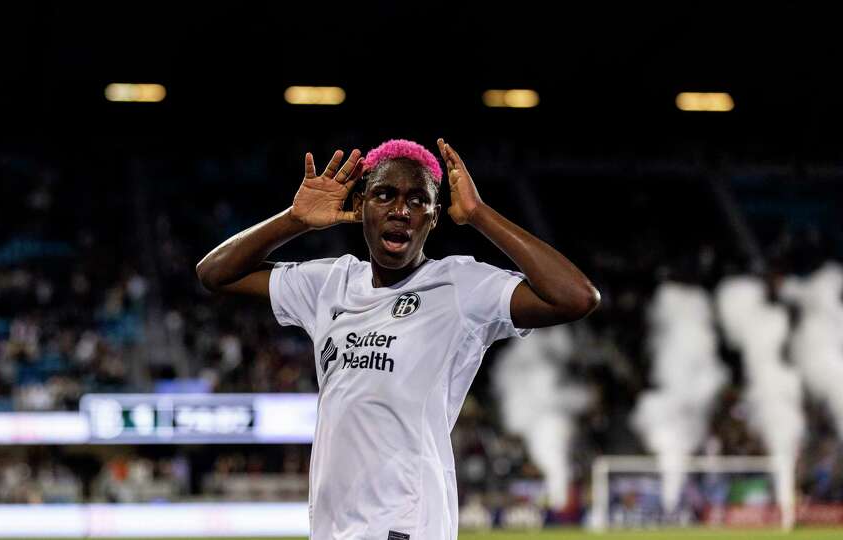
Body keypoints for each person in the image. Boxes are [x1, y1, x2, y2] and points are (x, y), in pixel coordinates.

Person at [196, 138, 600, 539]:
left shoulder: (458, 286)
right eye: (384, 195)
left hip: (407, 524)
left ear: (434, 216)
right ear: (360, 206)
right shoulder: (330, 283)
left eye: (418, 200)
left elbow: (576, 297)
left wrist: (478, 214)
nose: (401, 211)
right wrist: (294, 220)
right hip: (333, 528)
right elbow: (214, 273)